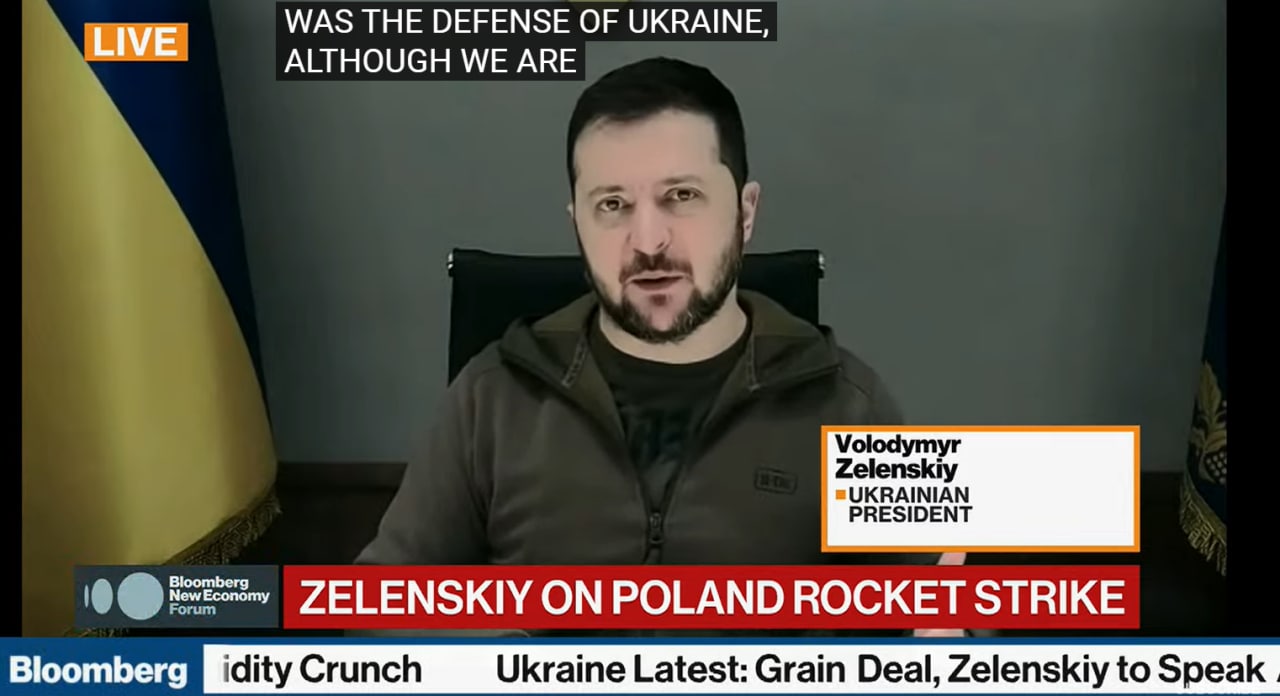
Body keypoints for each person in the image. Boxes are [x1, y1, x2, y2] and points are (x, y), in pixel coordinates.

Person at [356, 56, 965, 637]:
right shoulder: (492, 400)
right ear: (577, 223)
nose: (648, 241)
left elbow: (942, 618)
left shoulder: (848, 408)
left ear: (745, 212)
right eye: (612, 205)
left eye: (681, 196)